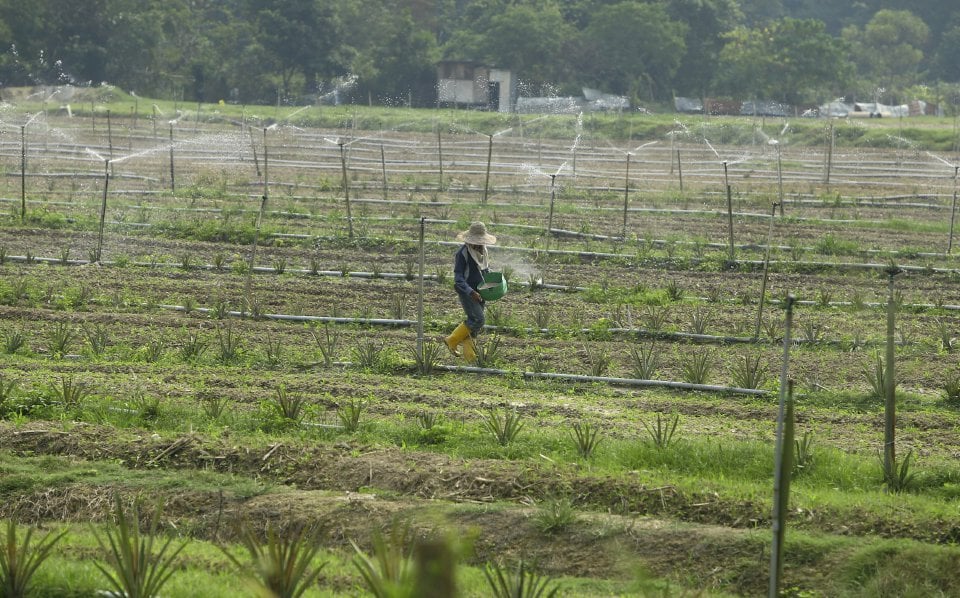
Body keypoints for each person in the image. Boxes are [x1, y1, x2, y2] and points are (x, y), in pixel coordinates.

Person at [443, 221, 496, 361]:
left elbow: (484, 270)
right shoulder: (462, 254)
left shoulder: (483, 251)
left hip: (481, 290)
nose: (479, 245)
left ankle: (469, 357)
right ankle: (452, 340)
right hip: (467, 292)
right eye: (476, 242)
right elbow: (458, 278)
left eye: (481, 242)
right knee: (478, 320)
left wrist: (493, 282)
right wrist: (471, 292)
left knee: (474, 324)